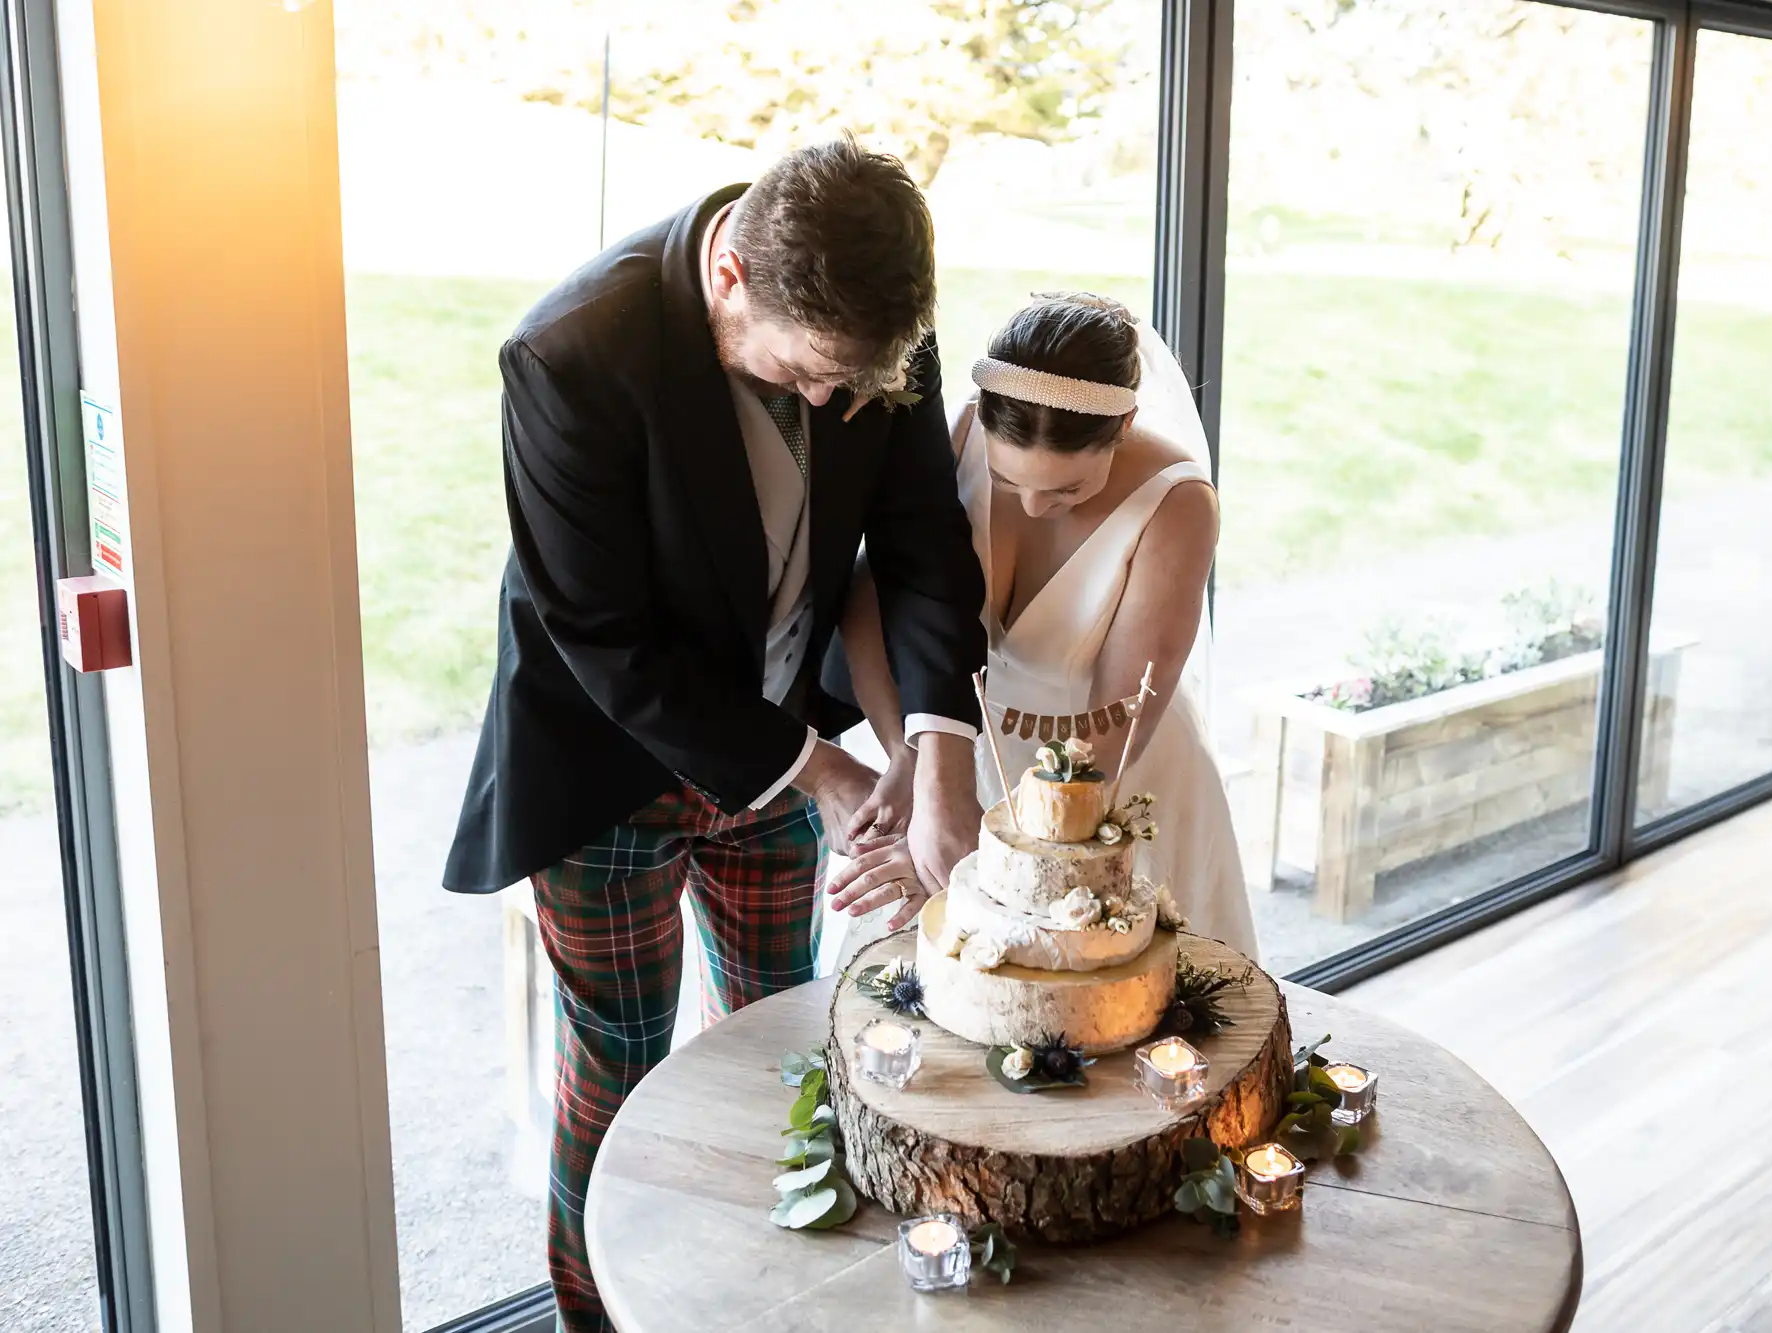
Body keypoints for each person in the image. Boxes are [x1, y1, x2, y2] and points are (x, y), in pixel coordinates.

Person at [441, 139, 987, 1331]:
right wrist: (823, 769)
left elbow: (919, 541)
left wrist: (939, 749)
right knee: (622, 1067)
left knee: (771, 1035)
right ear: (730, 273)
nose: (831, 404)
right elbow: (600, 635)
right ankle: (598, 1314)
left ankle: (759, 1298)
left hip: (788, 742)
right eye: (804, 374)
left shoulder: (875, 319)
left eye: (853, 384)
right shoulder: (571, 354)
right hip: (606, 769)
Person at [828, 293, 1259, 961]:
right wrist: (913, 759)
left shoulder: (1178, 505)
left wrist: (990, 868)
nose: (1033, 504)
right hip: (962, 746)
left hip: (1103, 779)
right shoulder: (965, 428)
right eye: (1007, 478)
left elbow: (1114, 726)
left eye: (1067, 492)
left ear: (1124, 428)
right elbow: (873, 601)